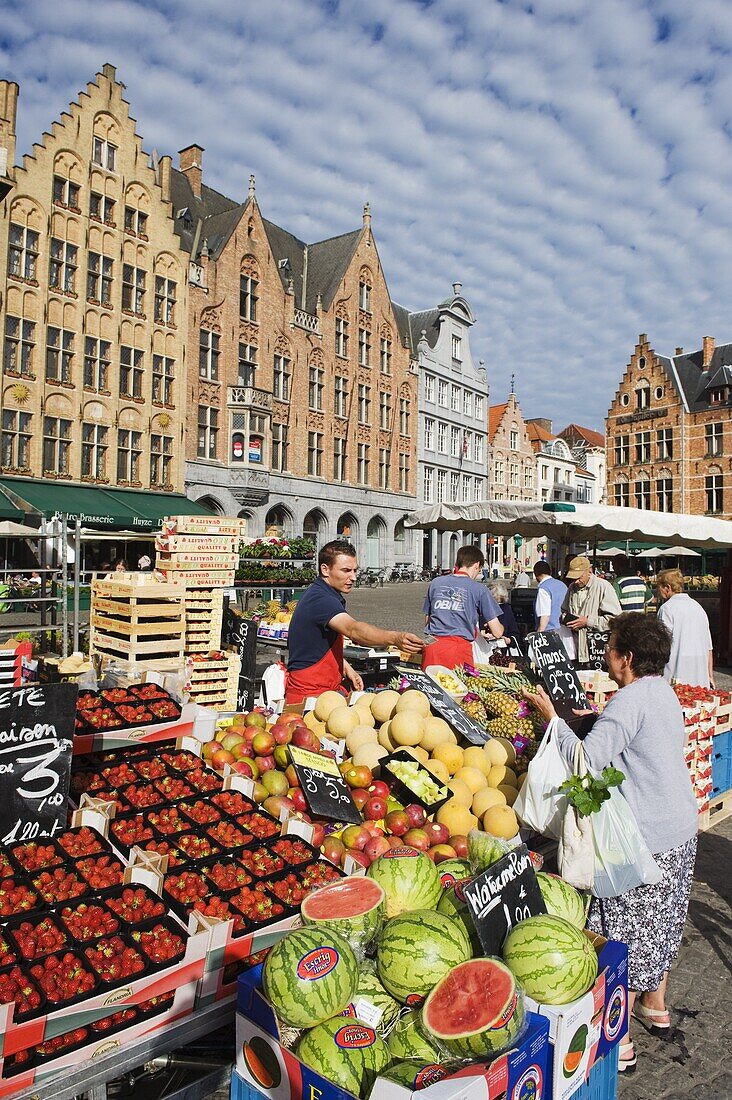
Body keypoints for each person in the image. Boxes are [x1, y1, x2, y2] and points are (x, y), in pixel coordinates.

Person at [523, 613, 698, 1074]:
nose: (605, 653)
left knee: (621, 929)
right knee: (659, 924)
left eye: (611, 646)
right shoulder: (662, 691)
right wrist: (597, 719)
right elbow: (639, 741)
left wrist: (552, 721)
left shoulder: (628, 700)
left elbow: (584, 761)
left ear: (629, 657)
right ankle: (655, 1006)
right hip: (680, 827)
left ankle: (618, 1041)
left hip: (645, 839)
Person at [285, 541, 423, 704]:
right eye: (346, 570)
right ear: (325, 569)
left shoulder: (321, 592)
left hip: (321, 690)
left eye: (355, 570)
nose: (353, 577)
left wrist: (344, 667)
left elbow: (316, 645)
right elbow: (354, 630)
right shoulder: (322, 599)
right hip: (309, 694)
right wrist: (395, 638)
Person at [422, 545, 504, 669]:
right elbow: (497, 632)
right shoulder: (479, 589)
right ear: (477, 565)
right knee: (458, 686)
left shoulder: (435, 583)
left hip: (432, 646)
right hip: (458, 649)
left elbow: (427, 620)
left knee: (431, 686)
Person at [655, 568, 714, 688]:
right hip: (700, 676)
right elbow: (709, 647)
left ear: (667, 587)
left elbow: (662, 644)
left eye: (658, 587)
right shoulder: (698, 607)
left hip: (676, 672)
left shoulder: (667, 608)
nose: (657, 592)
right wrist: (710, 675)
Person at [561, 555, 621, 666]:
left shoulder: (603, 587)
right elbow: (564, 610)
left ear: (589, 571)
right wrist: (566, 619)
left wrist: (588, 622)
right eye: (574, 578)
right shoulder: (571, 588)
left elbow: (615, 619)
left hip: (596, 650)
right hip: (575, 649)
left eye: (579, 577)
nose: (577, 581)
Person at [533, 561, 568, 632]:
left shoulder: (543, 588)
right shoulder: (562, 585)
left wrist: (539, 633)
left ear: (536, 573)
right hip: (565, 629)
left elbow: (544, 615)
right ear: (550, 572)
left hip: (550, 630)